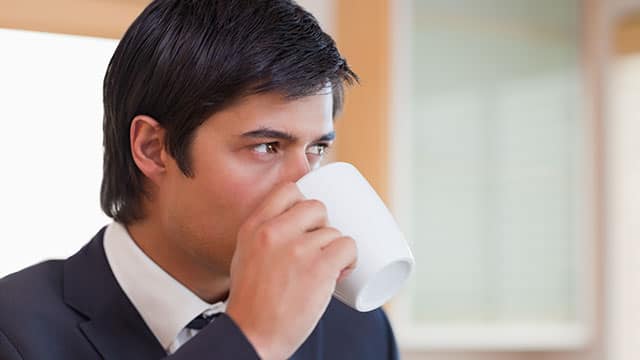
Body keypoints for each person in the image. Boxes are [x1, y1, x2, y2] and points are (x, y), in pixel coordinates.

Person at [0, 0, 400, 359]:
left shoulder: (358, 331)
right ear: (154, 148)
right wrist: (248, 339)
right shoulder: (14, 331)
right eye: (267, 147)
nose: (303, 189)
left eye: (317, 149)